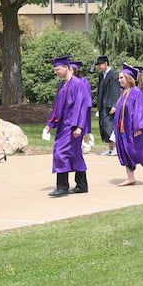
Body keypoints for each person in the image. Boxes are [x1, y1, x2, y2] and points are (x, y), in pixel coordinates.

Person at [44, 55, 90, 197]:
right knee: (75, 154)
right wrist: (51, 123)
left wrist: (79, 127)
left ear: (66, 68)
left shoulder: (78, 84)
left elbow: (82, 107)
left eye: (57, 69)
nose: (55, 72)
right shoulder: (62, 84)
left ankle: (62, 187)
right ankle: (82, 185)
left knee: (60, 152)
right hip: (63, 125)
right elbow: (57, 106)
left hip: (73, 126)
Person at [113, 64, 143, 186]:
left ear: (129, 78)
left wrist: (138, 127)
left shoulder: (136, 92)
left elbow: (140, 111)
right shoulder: (123, 92)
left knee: (136, 149)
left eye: (122, 77)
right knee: (124, 151)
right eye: (119, 78)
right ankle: (130, 177)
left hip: (132, 128)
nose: (119, 80)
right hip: (122, 127)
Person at [96, 55, 120, 156]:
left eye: (100, 64)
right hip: (102, 105)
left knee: (110, 126)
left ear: (106, 63)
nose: (99, 67)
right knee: (104, 126)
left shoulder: (113, 75)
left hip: (110, 105)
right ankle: (110, 148)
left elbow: (115, 91)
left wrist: (114, 105)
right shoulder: (102, 75)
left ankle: (115, 147)